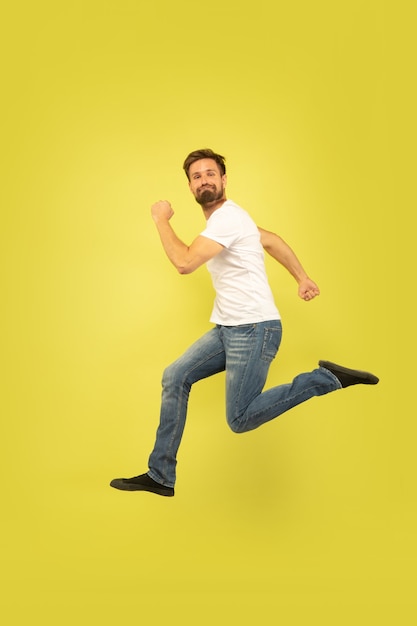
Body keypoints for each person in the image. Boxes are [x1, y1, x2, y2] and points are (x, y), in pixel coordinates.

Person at [110, 148, 378, 497]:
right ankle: (160, 475)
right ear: (190, 187)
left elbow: (185, 262)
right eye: (196, 176)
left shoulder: (227, 219)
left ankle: (325, 379)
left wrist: (161, 219)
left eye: (210, 173)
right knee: (175, 376)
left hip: (254, 330)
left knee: (239, 419)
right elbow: (271, 240)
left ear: (223, 180)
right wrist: (302, 278)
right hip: (228, 328)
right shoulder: (234, 219)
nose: (204, 179)